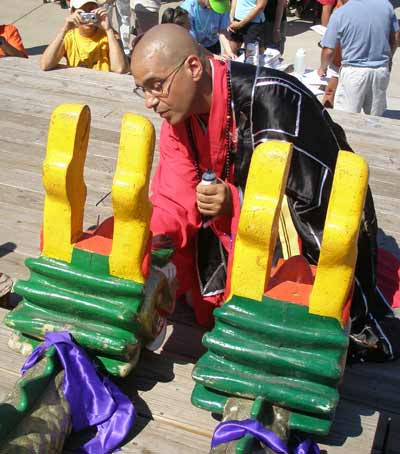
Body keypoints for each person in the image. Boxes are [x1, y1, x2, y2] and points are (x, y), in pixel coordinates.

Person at [131, 24, 400, 362]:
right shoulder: (179, 116)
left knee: (292, 324)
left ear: (193, 68)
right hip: (236, 229)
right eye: (141, 89)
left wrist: (237, 202)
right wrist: (149, 244)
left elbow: (314, 204)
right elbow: (174, 195)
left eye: (156, 86)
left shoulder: (274, 102)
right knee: (189, 286)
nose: (149, 102)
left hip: (301, 236)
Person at [318, 0, 399, 116]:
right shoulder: (386, 5)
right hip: (380, 70)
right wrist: (389, 57)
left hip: (353, 72)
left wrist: (323, 67)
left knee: (346, 119)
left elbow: (328, 50)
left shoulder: (341, 13)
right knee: (375, 120)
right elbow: (395, 37)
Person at [40, 0, 128, 73]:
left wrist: (109, 30)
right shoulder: (69, 36)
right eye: (83, 12)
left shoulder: (109, 36)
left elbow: (119, 69)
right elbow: (45, 65)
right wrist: (64, 30)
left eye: (91, 11)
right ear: (72, 12)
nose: (87, 17)